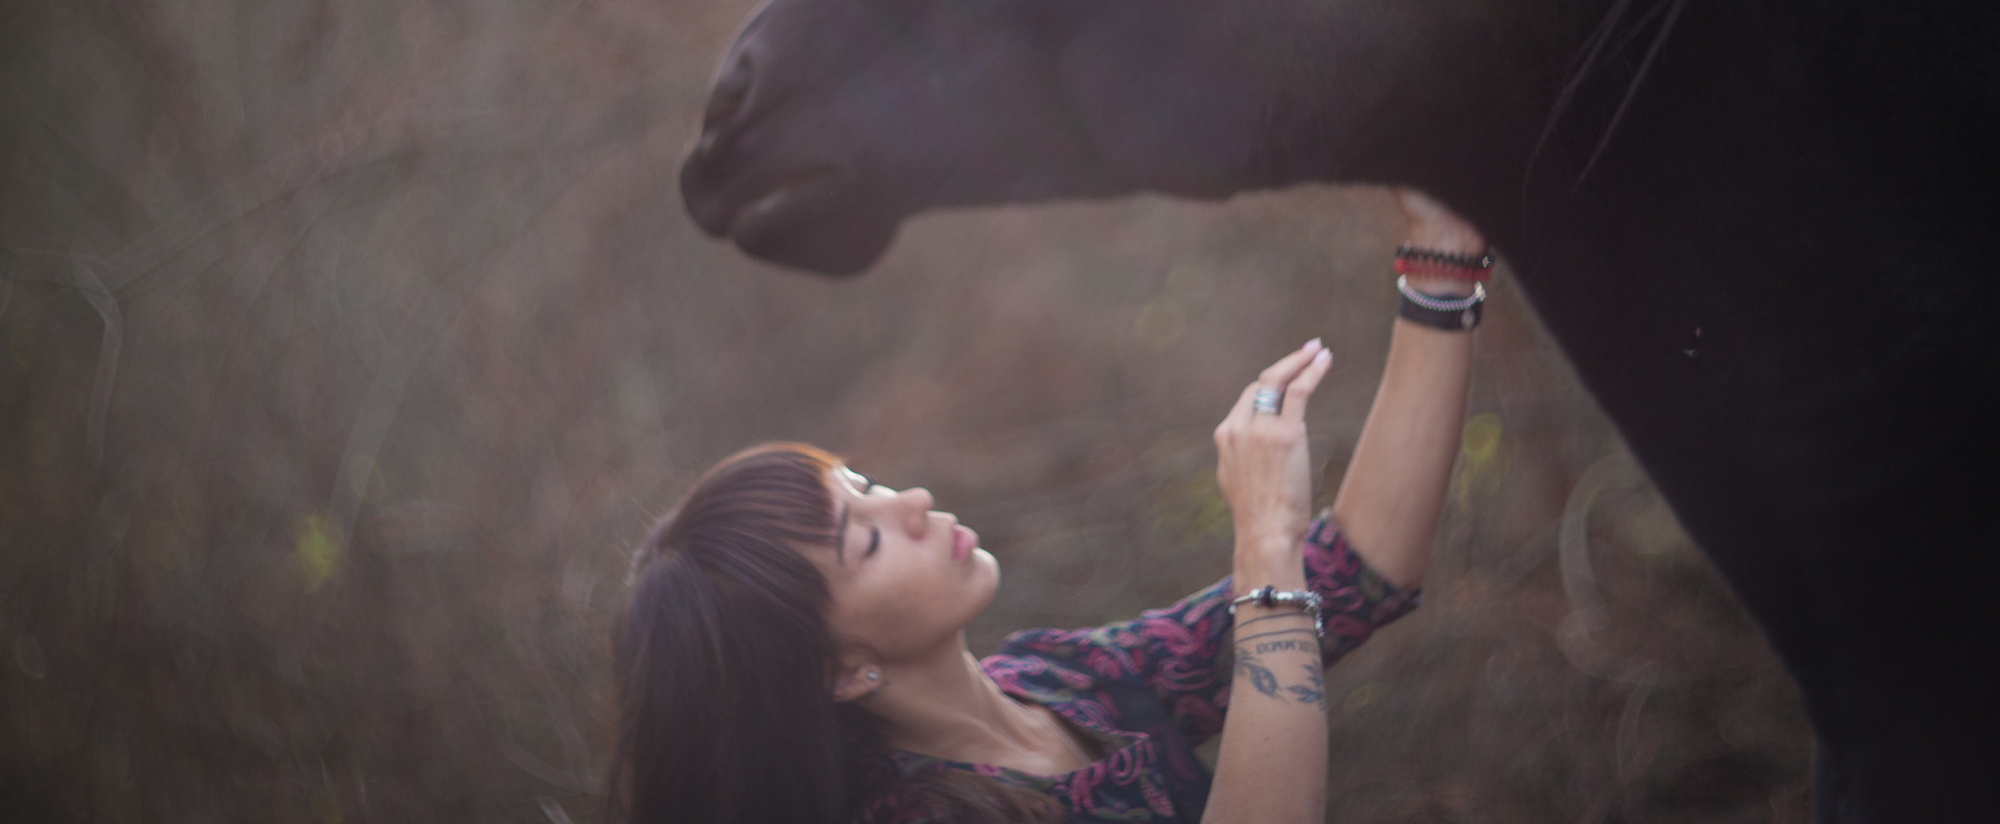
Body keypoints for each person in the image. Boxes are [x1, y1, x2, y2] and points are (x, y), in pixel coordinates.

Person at [611, 192, 1488, 823]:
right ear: (841, 670)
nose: (913, 503)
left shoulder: (1062, 684)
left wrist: (1441, 264)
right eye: (865, 541)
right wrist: (1264, 539)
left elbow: (1361, 571)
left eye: (868, 486)